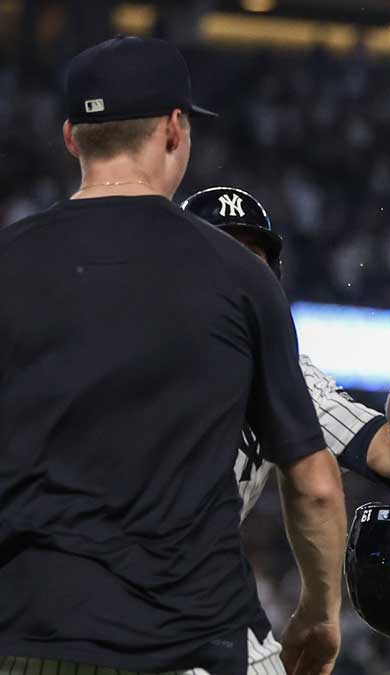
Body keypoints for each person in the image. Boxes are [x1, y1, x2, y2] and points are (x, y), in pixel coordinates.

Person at [0, 37, 345, 675]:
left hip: (29, 634)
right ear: (174, 129)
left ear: (72, 137)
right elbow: (316, 487)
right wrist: (319, 617)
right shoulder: (241, 277)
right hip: (190, 643)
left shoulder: (9, 261)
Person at [181, 186, 390, 671]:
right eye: (219, 248)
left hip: (201, 601)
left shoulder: (284, 370)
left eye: (253, 255)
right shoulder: (125, 340)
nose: (240, 267)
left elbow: (389, 454)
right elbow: (316, 491)